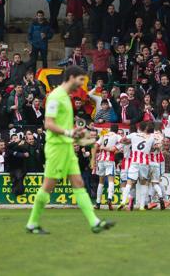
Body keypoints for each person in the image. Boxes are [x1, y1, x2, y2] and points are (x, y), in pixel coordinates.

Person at [26, 65, 114, 234]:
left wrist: (77, 133)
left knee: (78, 183)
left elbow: (62, 125)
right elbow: (48, 123)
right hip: (57, 148)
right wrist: (68, 132)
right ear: (71, 77)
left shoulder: (67, 97)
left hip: (66, 146)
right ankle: (32, 223)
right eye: (81, 80)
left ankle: (94, 222)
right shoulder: (55, 96)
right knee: (48, 187)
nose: (82, 84)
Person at [91, 124, 122, 210]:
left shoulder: (104, 135)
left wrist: (93, 159)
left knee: (101, 182)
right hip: (109, 160)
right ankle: (109, 198)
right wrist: (111, 148)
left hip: (100, 160)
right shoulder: (117, 136)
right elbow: (116, 147)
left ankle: (97, 203)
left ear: (110, 129)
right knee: (111, 180)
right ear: (117, 130)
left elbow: (95, 145)